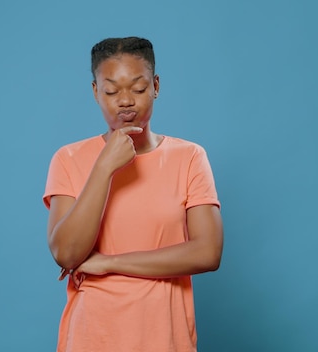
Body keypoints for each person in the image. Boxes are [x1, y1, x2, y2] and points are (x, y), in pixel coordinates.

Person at [42, 36, 223, 352]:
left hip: (166, 339)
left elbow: (207, 253)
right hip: (92, 337)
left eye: (138, 89)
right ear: (96, 92)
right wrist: (104, 168)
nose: (125, 100)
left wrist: (109, 263)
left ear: (156, 86)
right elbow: (67, 253)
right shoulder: (68, 158)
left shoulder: (190, 157)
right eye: (111, 91)